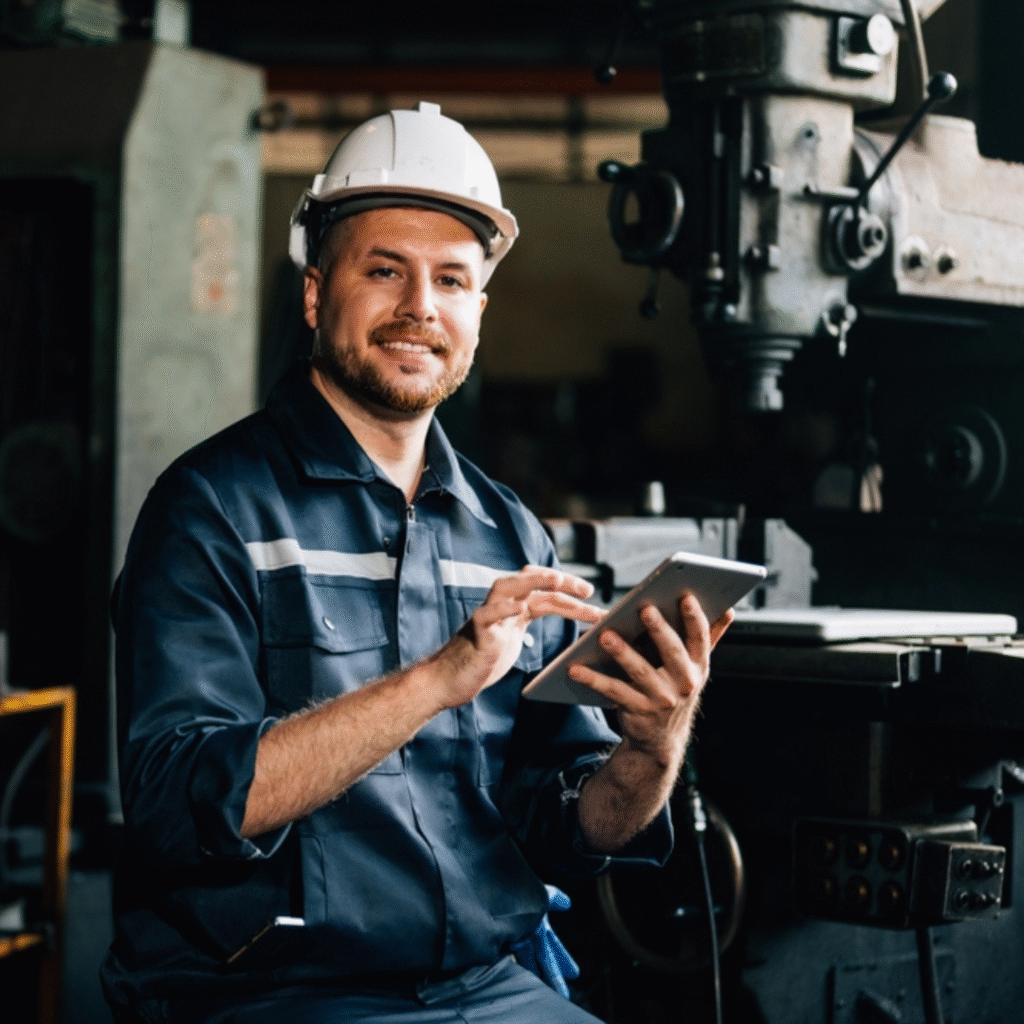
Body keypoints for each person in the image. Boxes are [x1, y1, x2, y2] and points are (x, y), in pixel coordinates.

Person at [102, 102, 733, 1024]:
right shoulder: (212, 511)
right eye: (384, 270)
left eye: (451, 280)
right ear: (315, 295)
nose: (419, 308)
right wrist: (438, 680)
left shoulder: (507, 534)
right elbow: (176, 805)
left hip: (483, 985)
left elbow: (576, 823)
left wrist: (653, 745)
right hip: (272, 994)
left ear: (478, 311)